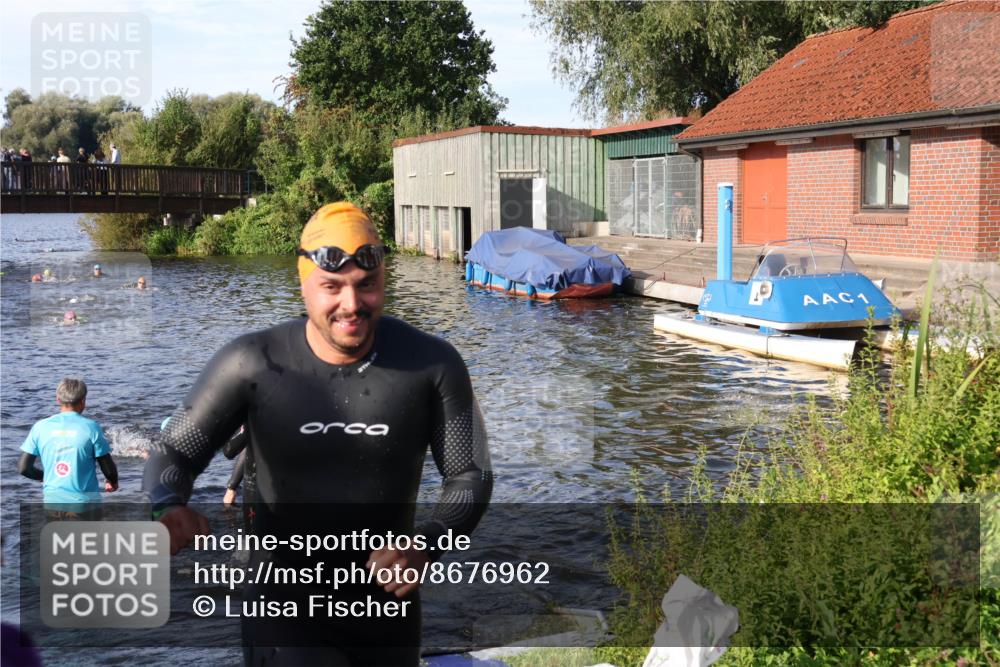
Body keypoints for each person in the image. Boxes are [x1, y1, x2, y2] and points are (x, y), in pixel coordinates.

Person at [143, 202, 492, 666]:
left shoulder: (433, 363)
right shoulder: (252, 362)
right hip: (282, 611)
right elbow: (174, 451)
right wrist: (168, 506)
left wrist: (427, 543)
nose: (352, 305)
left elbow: (471, 474)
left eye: (366, 284)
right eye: (332, 287)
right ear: (304, 284)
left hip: (387, 608)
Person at [19, 379, 119, 517]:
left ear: (58, 399)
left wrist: (44, 476)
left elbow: (24, 468)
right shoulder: (91, 427)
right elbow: (108, 468)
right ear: (83, 401)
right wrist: (112, 482)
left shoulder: (40, 427)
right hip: (85, 507)